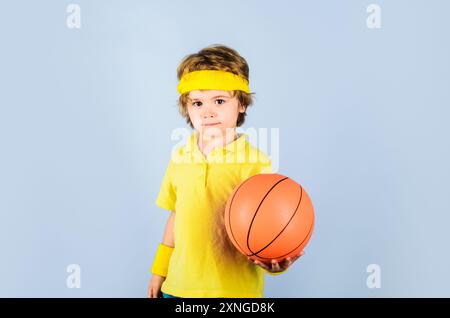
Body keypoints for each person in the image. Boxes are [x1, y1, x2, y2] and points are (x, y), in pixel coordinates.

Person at [147, 45, 303, 298]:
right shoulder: (179, 156)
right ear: (186, 108)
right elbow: (176, 215)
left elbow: (268, 227)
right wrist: (159, 272)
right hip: (178, 287)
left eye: (219, 101)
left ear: (241, 103)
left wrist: (275, 263)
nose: (207, 111)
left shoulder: (255, 163)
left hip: (235, 292)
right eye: (197, 102)